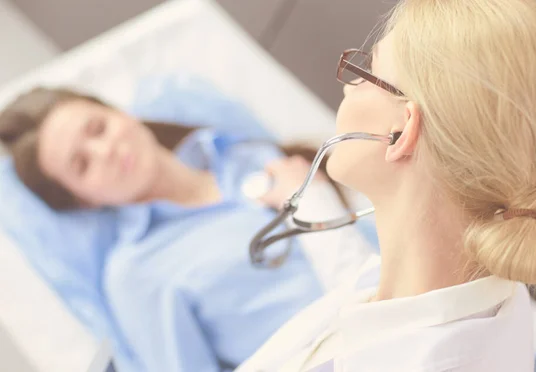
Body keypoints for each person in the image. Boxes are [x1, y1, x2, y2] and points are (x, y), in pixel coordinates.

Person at [237, 0, 536, 371]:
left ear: (401, 131)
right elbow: (366, 285)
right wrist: (312, 198)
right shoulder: (482, 295)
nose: (349, 88)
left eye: (367, 71)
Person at [0, 87, 375, 371]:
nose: (105, 151)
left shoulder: (244, 155)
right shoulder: (137, 274)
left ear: (121, 114)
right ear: (82, 200)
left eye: (98, 128)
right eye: (82, 165)